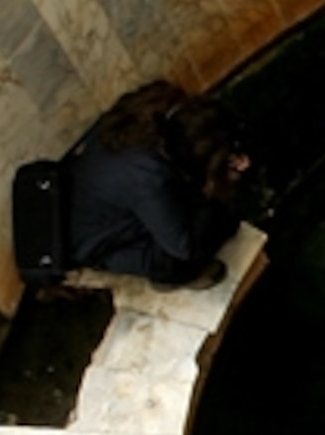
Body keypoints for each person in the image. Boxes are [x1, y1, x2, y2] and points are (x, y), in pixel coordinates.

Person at [63, 79, 250, 288]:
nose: (244, 164)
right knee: (196, 243)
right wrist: (219, 192)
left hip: (99, 194)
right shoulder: (148, 177)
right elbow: (182, 247)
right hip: (96, 240)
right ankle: (175, 278)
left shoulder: (158, 105)